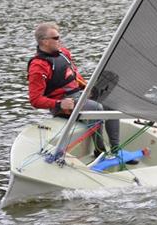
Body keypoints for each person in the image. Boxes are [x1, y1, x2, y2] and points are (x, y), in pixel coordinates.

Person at [27, 22, 120, 156]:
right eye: (56, 38)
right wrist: (59, 103)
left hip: (79, 96)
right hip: (62, 105)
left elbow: (73, 74)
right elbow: (35, 100)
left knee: (111, 103)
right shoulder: (38, 67)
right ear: (44, 42)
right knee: (96, 108)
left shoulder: (64, 53)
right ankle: (100, 151)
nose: (60, 40)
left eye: (59, 36)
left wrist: (86, 87)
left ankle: (117, 150)